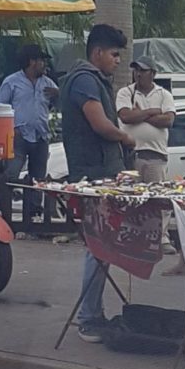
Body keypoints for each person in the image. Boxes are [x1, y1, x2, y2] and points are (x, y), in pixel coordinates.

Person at [59, 24, 135, 343]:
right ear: (98, 53)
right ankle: (89, 318)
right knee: (98, 247)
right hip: (92, 175)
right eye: (115, 54)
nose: (118, 61)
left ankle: (95, 313)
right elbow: (99, 123)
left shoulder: (92, 79)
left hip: (103, 172)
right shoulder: (85, 80)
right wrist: (126, 138)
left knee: (103, 247)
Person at [116, 55, 177, 255]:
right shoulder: (126, 92)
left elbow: (168, 120)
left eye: (143, 70)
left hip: (155, 152)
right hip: (130, 152)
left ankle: (161, 238)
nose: (138, 74)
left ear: (152, 73)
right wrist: (152, 112)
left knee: (157, 198)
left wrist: (140, 114)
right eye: (136, 70)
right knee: (131, 197)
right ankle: (131, 238)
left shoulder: (164, 94)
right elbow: (125, 116)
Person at [0, 44, 58, 215]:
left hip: (41, 136)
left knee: (38, 177)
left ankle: (33, 212)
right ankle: (0, 207)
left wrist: (58, 94)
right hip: (18, 136)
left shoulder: (48, 83)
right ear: (32, 62)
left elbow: (54, 105)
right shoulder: (12, 82)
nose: (45, 64)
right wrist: (10, 130)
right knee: (11, 173)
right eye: (41, 61)